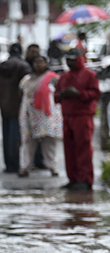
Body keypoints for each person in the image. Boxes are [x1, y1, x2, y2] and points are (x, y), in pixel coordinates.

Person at [55, 48, 100, 191]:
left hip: (83, 116)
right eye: (68, 59)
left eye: (73, 59)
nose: (70, 62)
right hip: (67, 116)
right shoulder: (64, 76)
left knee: (83, 148)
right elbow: (56, 95)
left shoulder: (90, 75)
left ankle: (85, 179)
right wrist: (62, 95)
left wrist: (79, 94)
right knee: (69, 149)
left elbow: (95, 93)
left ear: (80, 59)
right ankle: (73, 178)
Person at [0, 43, 31, 173]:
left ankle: (9, 164)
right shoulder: (23, 67)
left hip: (4, 105)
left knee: (7, 135)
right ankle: (14, 164)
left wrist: (1, 98)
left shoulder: (0, 67)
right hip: (18, 105)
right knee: (15, 136)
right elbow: (27, 86)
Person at [17, 55, 62, 177]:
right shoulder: (26, 79)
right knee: (29, 142)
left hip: (47, 115)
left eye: (41, 62)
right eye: (36, 62)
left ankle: (53, 167)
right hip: (30, 114)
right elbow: (21, 93)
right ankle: (25, 166)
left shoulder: (53, 78)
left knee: (49, 142)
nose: (39, 65)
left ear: (46, 64)